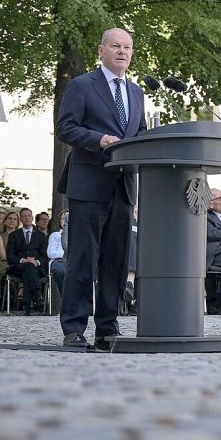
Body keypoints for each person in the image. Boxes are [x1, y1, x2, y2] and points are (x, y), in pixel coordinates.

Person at [56, 28, 146, 349]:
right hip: (89, 184)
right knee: (83, 257)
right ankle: (74, 327)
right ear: (101, 50)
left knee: (116, 260)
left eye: (127, 47)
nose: (122, 51)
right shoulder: (82, 86)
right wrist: (99, 139)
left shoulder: (136, 93)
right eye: (116, 46)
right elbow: (65, 128)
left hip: (123, 186)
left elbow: (141, 135)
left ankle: (108, 326)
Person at [5, 208, 49, 316]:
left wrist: (37, 262)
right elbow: (10, 256)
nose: (27, 218)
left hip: (36, 268)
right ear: (21, 219)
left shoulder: (41, 236)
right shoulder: (13, 235)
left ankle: (27, 305)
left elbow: (45, 256)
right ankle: (37, 297)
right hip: (18, 267)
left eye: (29, 215)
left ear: (32, 218)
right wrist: (24, 260)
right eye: (24, 216)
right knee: (28, 267)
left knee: (28, 272)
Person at [47, 212, 68, 297]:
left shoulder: (79, 236)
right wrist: (65, 254)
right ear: (59, 221)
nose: (66, 220)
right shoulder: (55, 235)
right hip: (59, 261)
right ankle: (66, 299)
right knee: (60, 270)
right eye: (63, 219)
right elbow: (51, 253)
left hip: (74, 261)